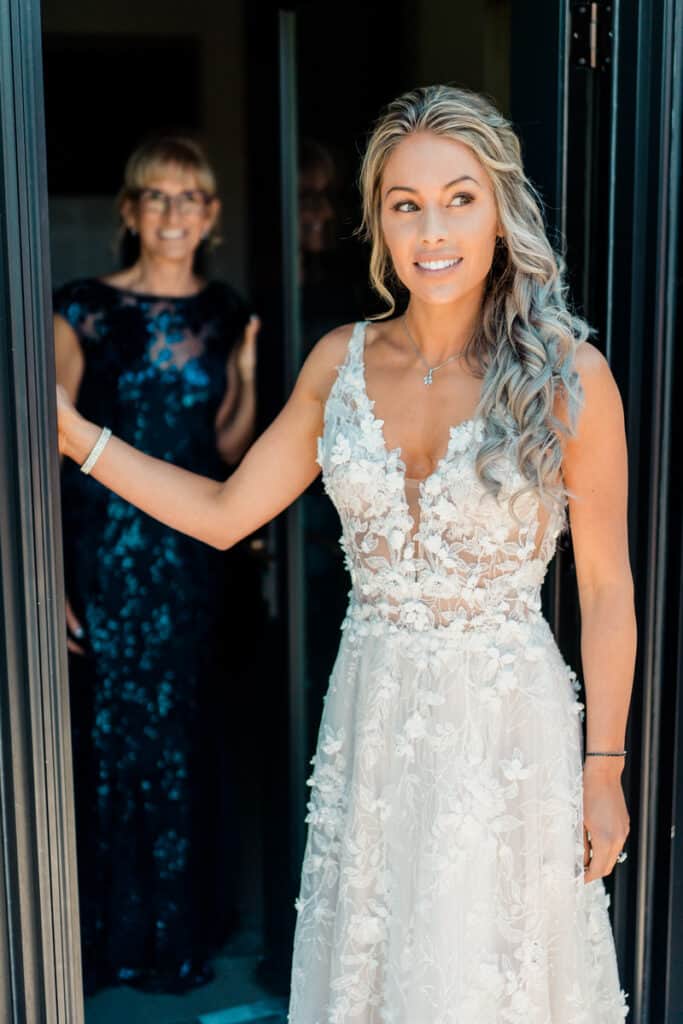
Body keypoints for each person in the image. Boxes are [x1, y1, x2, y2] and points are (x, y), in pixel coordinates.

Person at [57, 86, 634, 1020]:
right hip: (370, 713)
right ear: (377, 224)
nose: (431, 228)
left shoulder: (569, 374)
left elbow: (607, 588)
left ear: (499, 212)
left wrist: (603, 769)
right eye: (404, 204)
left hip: (505, 733)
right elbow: (223, 511)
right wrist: (76, 437)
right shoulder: (340, 360)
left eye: (458, 197)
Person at [54, 135, 258, 994]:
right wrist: (49, 577)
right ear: (131, 211)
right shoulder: (80, 309)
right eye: (157, 196)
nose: (174, 212)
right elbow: (48, 437)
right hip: (104, 550)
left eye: (191, 198)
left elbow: (230, 449)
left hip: (191, 551)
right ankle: (102, 942)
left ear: (210, 217)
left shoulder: (223, 313)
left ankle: (177, 935)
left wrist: (245, 369)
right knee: (106, 739)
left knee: (184, 737)